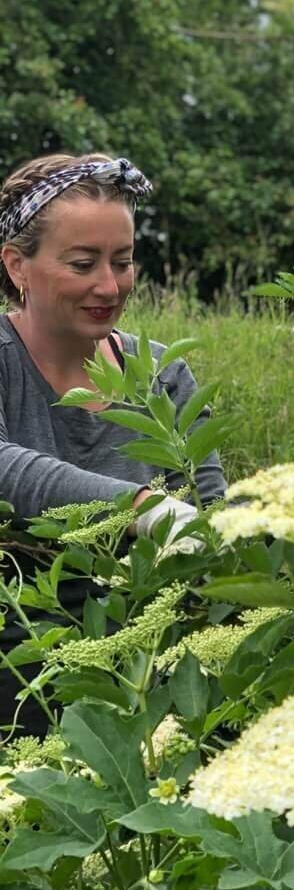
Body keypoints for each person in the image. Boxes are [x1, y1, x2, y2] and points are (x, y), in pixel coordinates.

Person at [0, 151, 227, 729]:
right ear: (16, 266)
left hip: (152, 668)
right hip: (23, 678)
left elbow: (208, 509)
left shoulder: (160, 375)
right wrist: (142, 507)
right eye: (82, 263)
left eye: (122, 262)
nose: (109, 285)